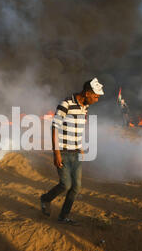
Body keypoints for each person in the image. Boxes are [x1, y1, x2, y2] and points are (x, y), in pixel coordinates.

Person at [40, 78, 104, 225]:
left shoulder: (85, 107)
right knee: (66, 185)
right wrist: (56, 153)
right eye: (96, 96)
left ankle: (63, 216)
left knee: (76, 187)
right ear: (87, 93)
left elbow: (77, 129)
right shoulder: (66, 104)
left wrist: (79, 146)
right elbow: (54, 127)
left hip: (76, 153)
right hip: (62, 151)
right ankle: (45, 199)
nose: (97, 99)